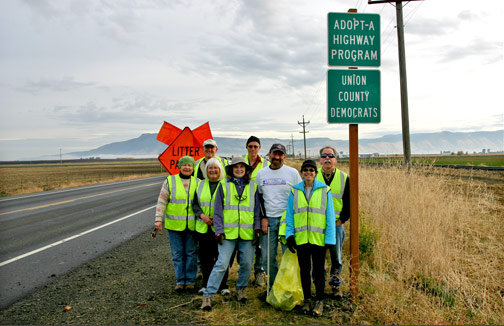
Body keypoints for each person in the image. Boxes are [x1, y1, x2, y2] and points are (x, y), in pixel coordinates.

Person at [201, 157, 261, 311]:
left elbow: (256, 210)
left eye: (242, 167)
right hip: (227, 234)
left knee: (247, 264)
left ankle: (240, 289)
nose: (239, 170)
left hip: (247, 234)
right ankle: (208, 295)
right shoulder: (223, 185)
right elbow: (218, 210)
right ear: (231, 169)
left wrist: (257, 229)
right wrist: (219, 230)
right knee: (221, 264)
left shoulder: (253, 186)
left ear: (246, 170)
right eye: (236, 167)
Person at [285, 159, 336, 316]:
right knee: (304, 271)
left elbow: (330, 217)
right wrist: (290, 235)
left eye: (311, 170)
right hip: (301, 240)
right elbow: (290, 215)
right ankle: (307, 299)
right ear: (301, 173)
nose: (308, 173)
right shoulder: (295, 191)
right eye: (305, 170)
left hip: (318, 240)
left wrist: (329, 240)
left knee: (319, 271)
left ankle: (319, 300)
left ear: (315, 172)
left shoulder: (325, 190)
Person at [256, 143, 302, 287]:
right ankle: (273, 287)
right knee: (267, 258)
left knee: (289, 255)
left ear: (284, 156)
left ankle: (288, 288)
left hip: (287, 221)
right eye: (274, 154)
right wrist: (263, 217)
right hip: (268, 221)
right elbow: (259, 198)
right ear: (269, 155)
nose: (277, 157)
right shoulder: (261, 174)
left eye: (280, 154)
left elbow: (299, 196)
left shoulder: (293, 173)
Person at [154, 156, 199, 292]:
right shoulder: (170, 181)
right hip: (174, 226)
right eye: (184, 165)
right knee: (177, 254)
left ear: (193, 168)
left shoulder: (198, 182)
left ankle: (190, 280)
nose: (187, 168)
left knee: (191, 253)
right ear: (179, 166)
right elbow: (162, 201)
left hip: (192, 226)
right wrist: (158, 219)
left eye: (190, 165)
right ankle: (180, 281)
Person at [192, 158, 230, 296]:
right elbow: (194, 203)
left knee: (222, 258)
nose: (212, 170)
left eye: (215, 168)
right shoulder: (200, 184)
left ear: (220, 170)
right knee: (205, 258)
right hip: (203, 228)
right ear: (206, 170)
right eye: (210, 168)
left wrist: (219, 219)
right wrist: (202, 216)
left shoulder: (226, 185)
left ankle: (223, 285)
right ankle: (206, 284)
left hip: (220, 228)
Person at [316, 146, 349, 297]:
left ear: (336, 159)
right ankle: (319, 284)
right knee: (318, 255)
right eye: (324, 156)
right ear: (320, 159)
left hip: (336, 225)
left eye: (331, 155)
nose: (327, 158)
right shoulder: (313, 177)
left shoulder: (344, 177)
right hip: (318, 225)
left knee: (336, 256)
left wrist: (342, 220)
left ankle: (336, 284)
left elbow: (348, 201)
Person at [244, 135, 270, 286]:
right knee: (245, 242)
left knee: (260, 244)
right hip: (243, 208)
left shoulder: (265, 164)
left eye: (255, 146)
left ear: (259, 148)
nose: (253, 149)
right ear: (246, 148)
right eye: (250, 146)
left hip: (260, 207)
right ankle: (244, 272)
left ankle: (259, 272)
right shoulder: (240, 163)